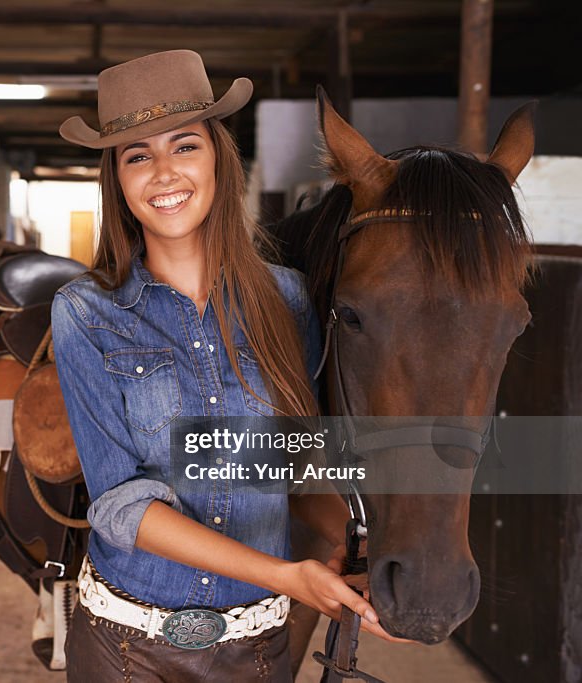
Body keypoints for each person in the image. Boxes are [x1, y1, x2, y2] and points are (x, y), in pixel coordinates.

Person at [50, 50, 394, 682]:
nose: (162, 173)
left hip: (257, 650)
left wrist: (365, 546)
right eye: (136, 155)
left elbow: (300, 460)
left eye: (184, 146)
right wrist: (285, 576)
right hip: (127, 649)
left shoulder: (289, 300)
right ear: (118, 182)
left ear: (217, 159)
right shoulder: (85, 313)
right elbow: (120, 504)